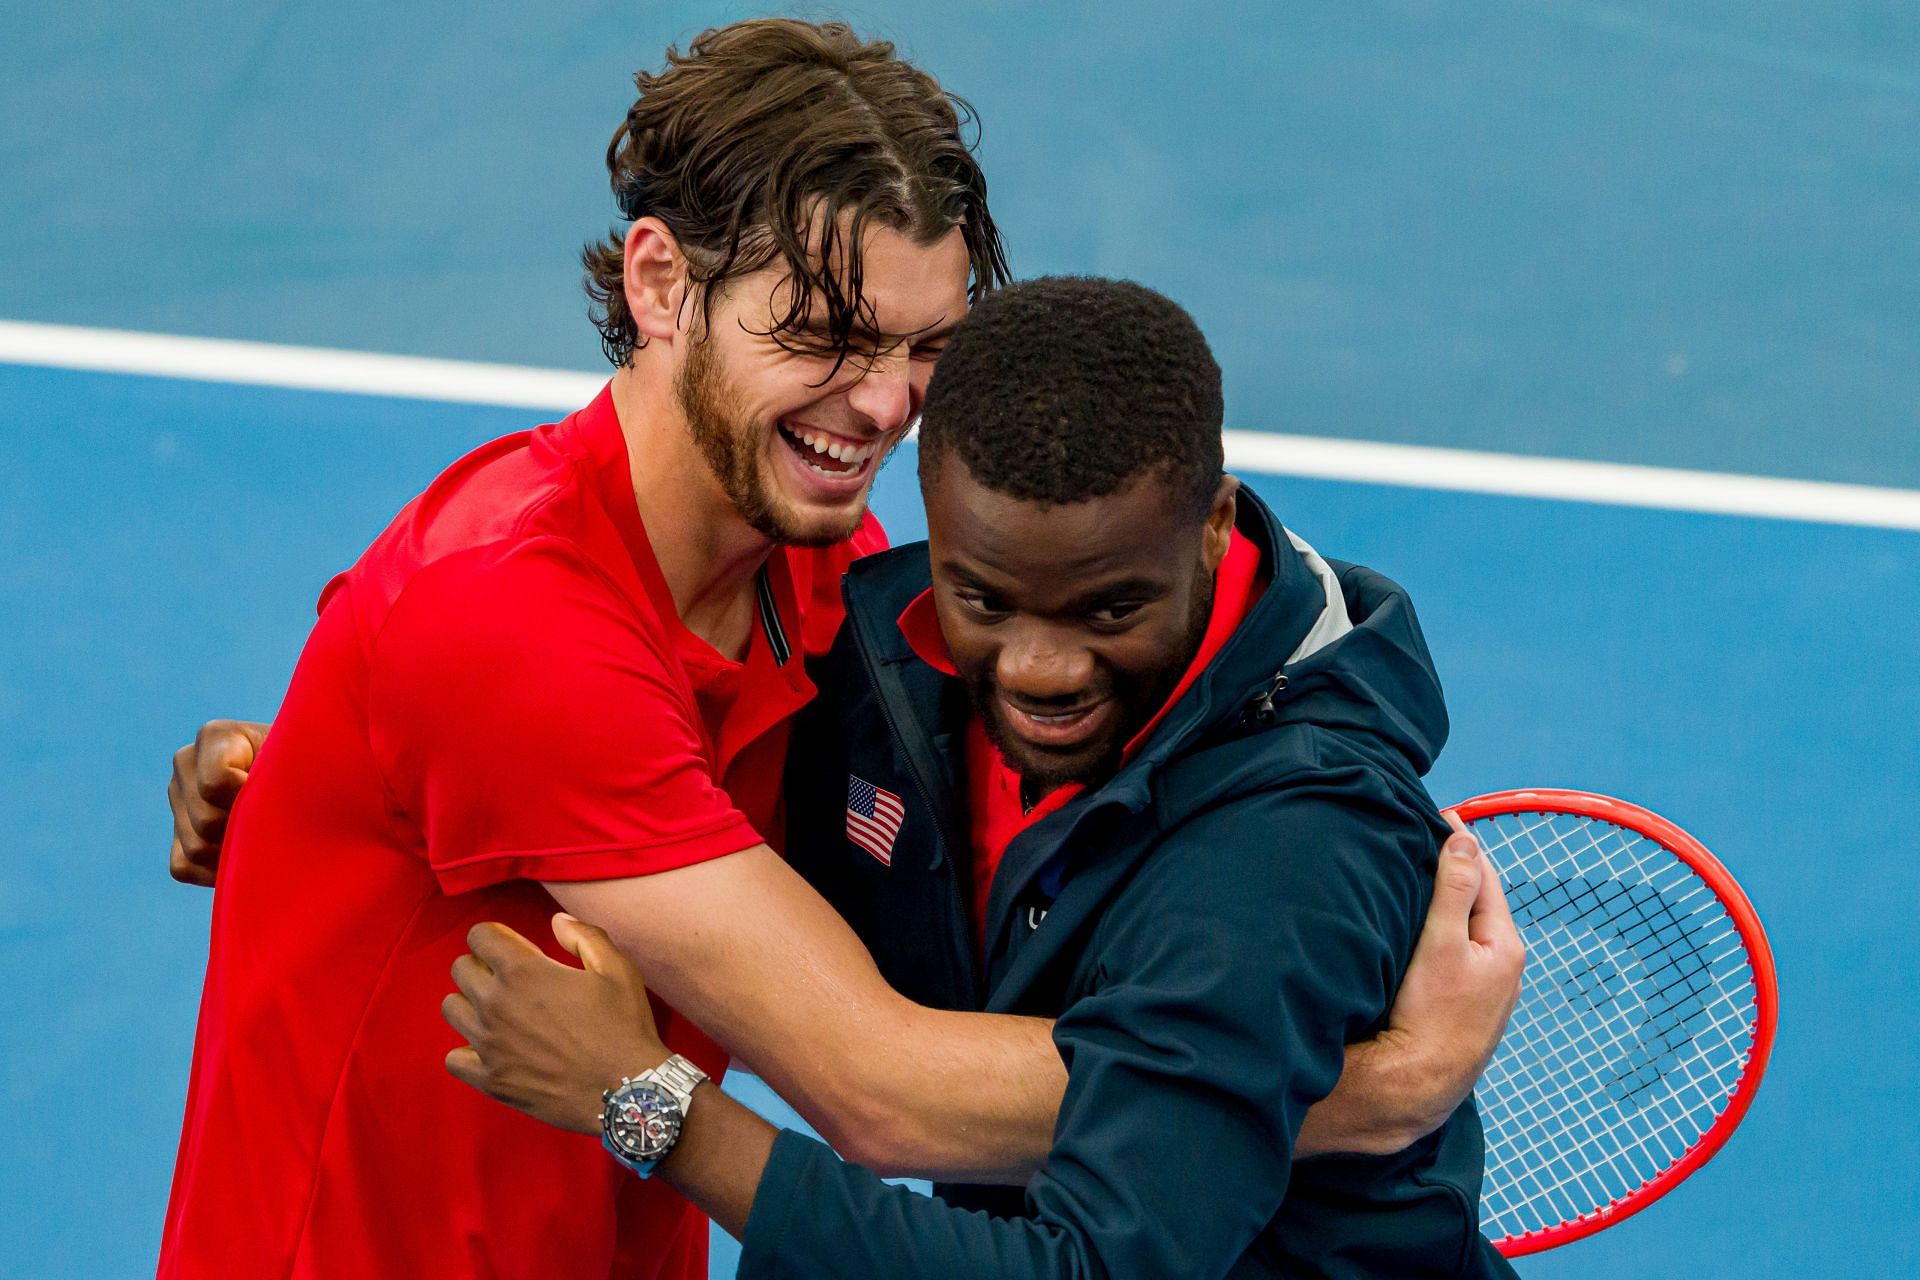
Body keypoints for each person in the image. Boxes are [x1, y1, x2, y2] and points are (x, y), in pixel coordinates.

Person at [160, 20, 1519, 1280]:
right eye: (823, 336)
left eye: (927, 346)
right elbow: (878, 1084)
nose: (881, 407)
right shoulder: (511, 621)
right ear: (659, 284)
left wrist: (299, 778)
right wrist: (1352, 1091)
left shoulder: (840, 580)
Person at [437, 277, 1523, 1278]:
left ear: (1211, 529)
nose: (1041, 671)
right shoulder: (898, 666)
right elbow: (644, 784)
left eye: (1110, 609)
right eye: (987, 599)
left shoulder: (1287, 855)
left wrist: (652, 1106)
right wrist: (322, 752)